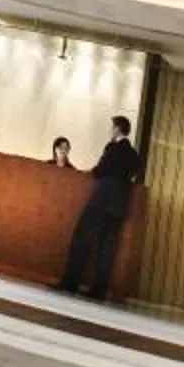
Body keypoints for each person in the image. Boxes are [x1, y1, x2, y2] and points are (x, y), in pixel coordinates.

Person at [55, 115, 141, 299]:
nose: (110, 132)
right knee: (107, 246)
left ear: (117, 130)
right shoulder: (134, 154)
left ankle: (71, 282)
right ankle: (99, 290)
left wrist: (92, 172)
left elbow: (100, 171)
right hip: (119, 206)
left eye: (112, 128)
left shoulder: (112, 147)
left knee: (82, 238)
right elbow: (134, 173)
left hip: (101, 200)